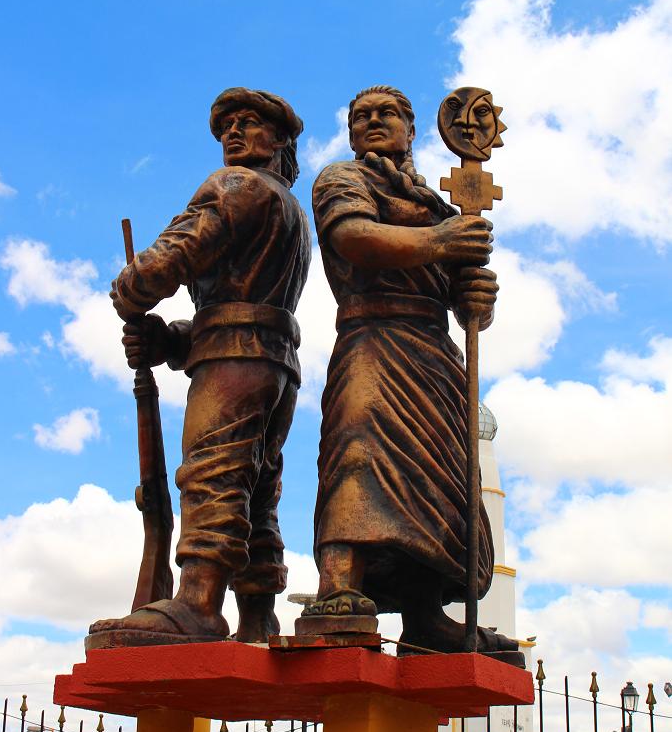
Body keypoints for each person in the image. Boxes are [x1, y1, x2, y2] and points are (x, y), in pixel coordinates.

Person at [298, 84, 519, 658]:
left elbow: (464, 305)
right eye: (361, 117)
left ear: (410, 128)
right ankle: (339, 587)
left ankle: (426, 612)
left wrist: (478, 295)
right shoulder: (343, 181)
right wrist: (440, 241)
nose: (373, 122)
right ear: (350, 133)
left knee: (441, 479)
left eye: (387, 114)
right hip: (373, 337)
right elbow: (353, 237)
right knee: (359, 452)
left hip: (435, 353)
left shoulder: (442, 207)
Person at [90, 88, 311, 645]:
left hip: (235, 363)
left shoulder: (237, 186)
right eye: (226, 127)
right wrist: (167, 340)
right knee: (257, 487)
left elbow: (170, 258)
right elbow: (237, 307)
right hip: (275, 363)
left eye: (248, 123)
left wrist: (133, 288)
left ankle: (199, 605)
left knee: (212, 474)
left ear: (280, 139)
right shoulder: (290, 210)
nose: (233, 134)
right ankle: (258, 615)